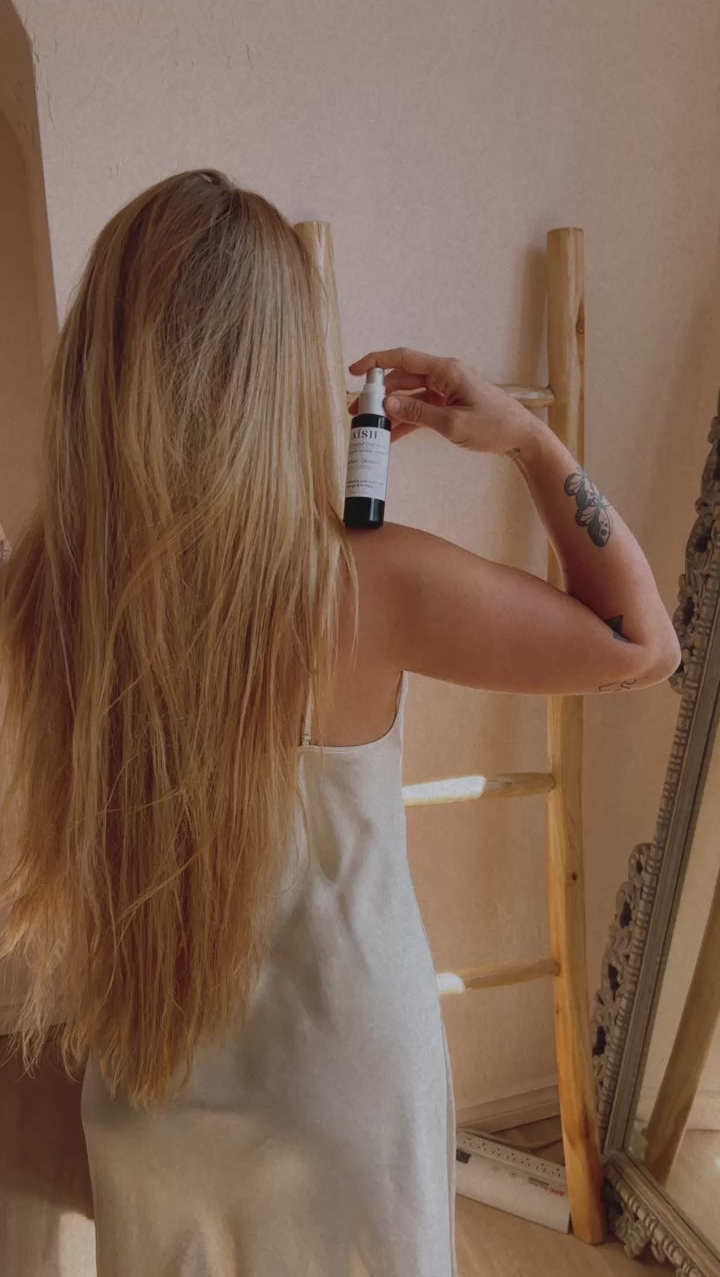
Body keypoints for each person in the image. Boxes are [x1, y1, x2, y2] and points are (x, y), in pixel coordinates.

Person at [0, 169, 680, 1277]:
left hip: (146, 1087)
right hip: (342, 1091)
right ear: (275, 378)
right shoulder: (365, 585)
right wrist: (526, 439)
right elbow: (644, 642)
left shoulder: (42, 594)